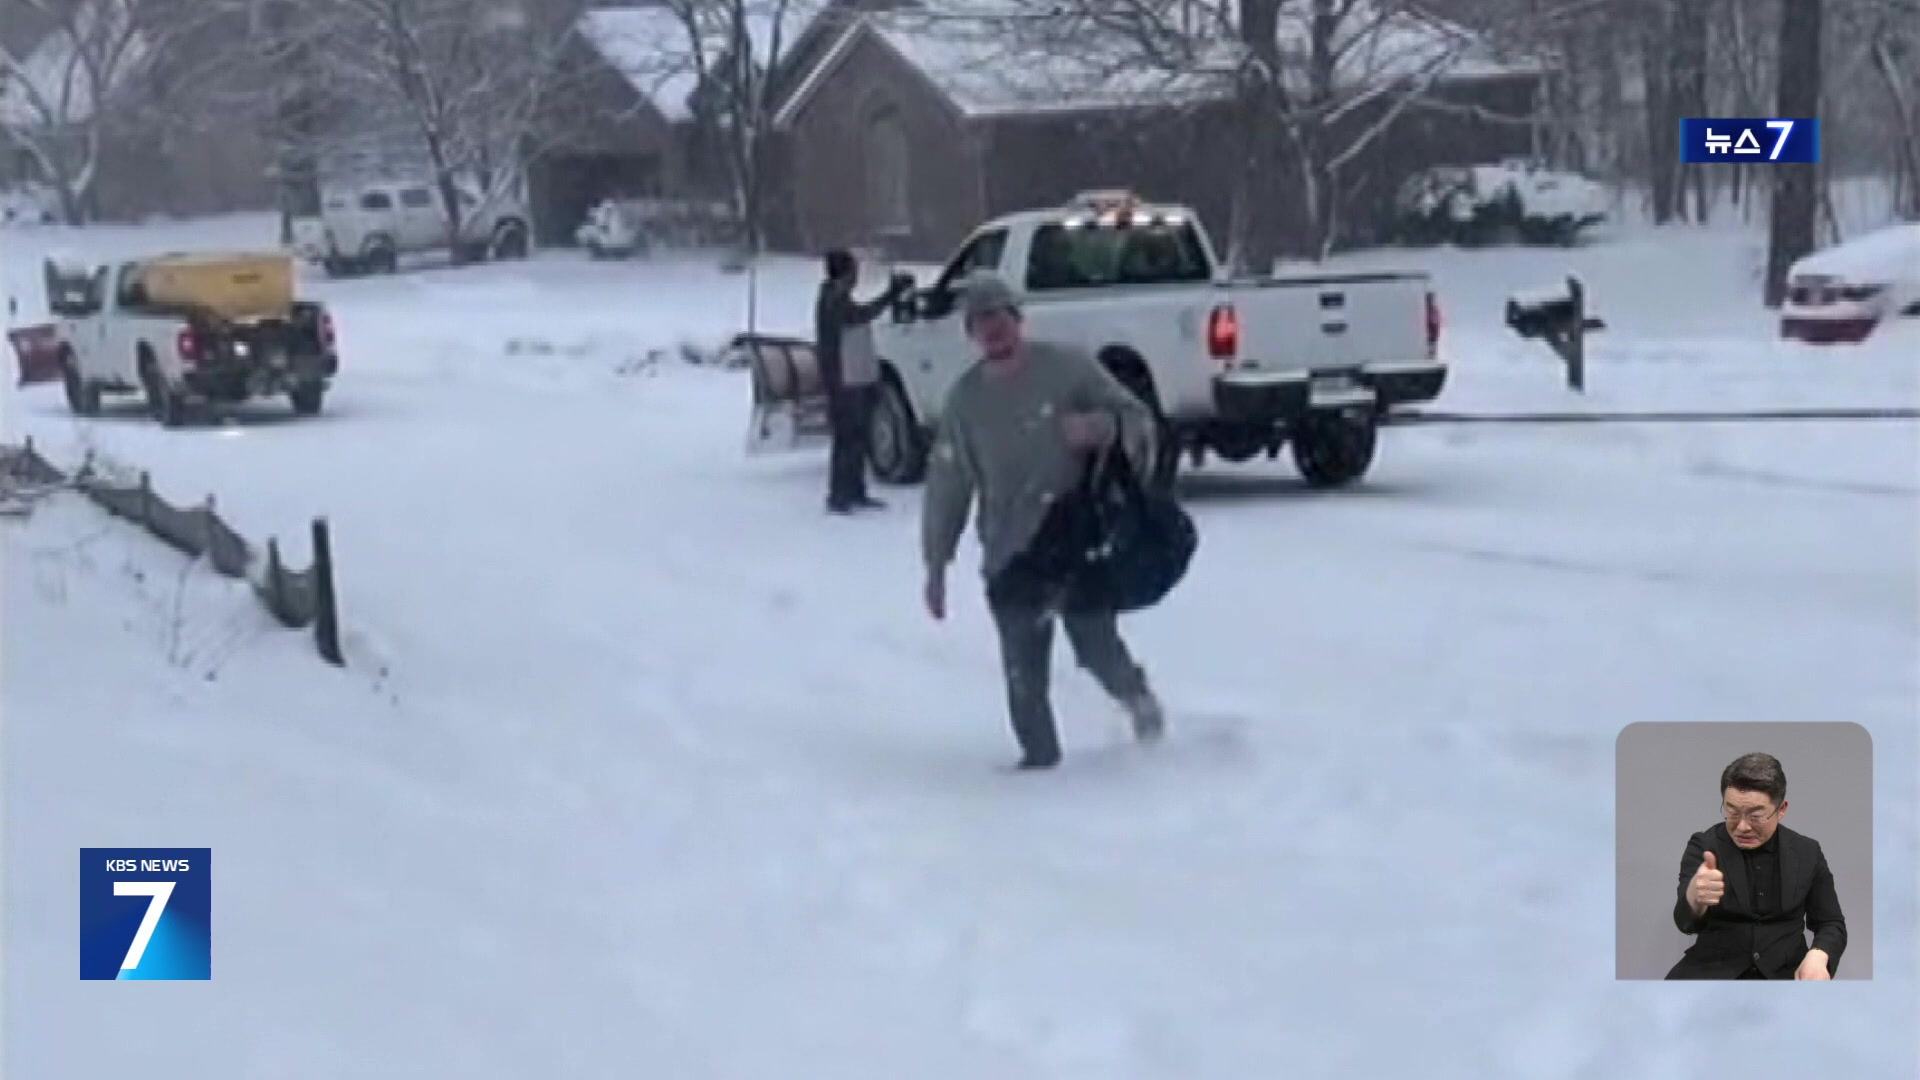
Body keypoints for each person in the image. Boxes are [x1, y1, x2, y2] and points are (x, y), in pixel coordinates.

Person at [919, 272, 1166, 770]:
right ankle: (1039, 764)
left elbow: (1139, 422)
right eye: (981, 320)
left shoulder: (1068, 368)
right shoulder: (966, 402)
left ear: (1018, 319)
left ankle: (1139, 703)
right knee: (1023, 671)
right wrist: (937, 563)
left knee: (1096, 647)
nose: (993, 328)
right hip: (1011, 554)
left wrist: (1102, 428)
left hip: (1075, 541)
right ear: (970, 332)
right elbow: (948, 483)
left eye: (1000, 316)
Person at [1666, 752, 1847, 979]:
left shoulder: (1807, 851)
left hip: (1785, 974)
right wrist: (1694, 897)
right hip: (1712, 971)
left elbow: (1831, 923)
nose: (1742, 826)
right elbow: (1685, 923)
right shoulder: (1704, 845)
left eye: (1756, 816)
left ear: (1781, 809)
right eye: (1732, 812)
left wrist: (1819, 955)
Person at [815, 248, 906, 514]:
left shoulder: (835, 297)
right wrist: (891, 295)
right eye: (854, 271)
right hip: (841, 378)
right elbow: (860, 316)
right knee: (847, 437)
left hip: (849, 376)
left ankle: (854, 491)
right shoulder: (834, 300)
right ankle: (840, 495)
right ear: (845, 273)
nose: (857, 276)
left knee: (856, 437)